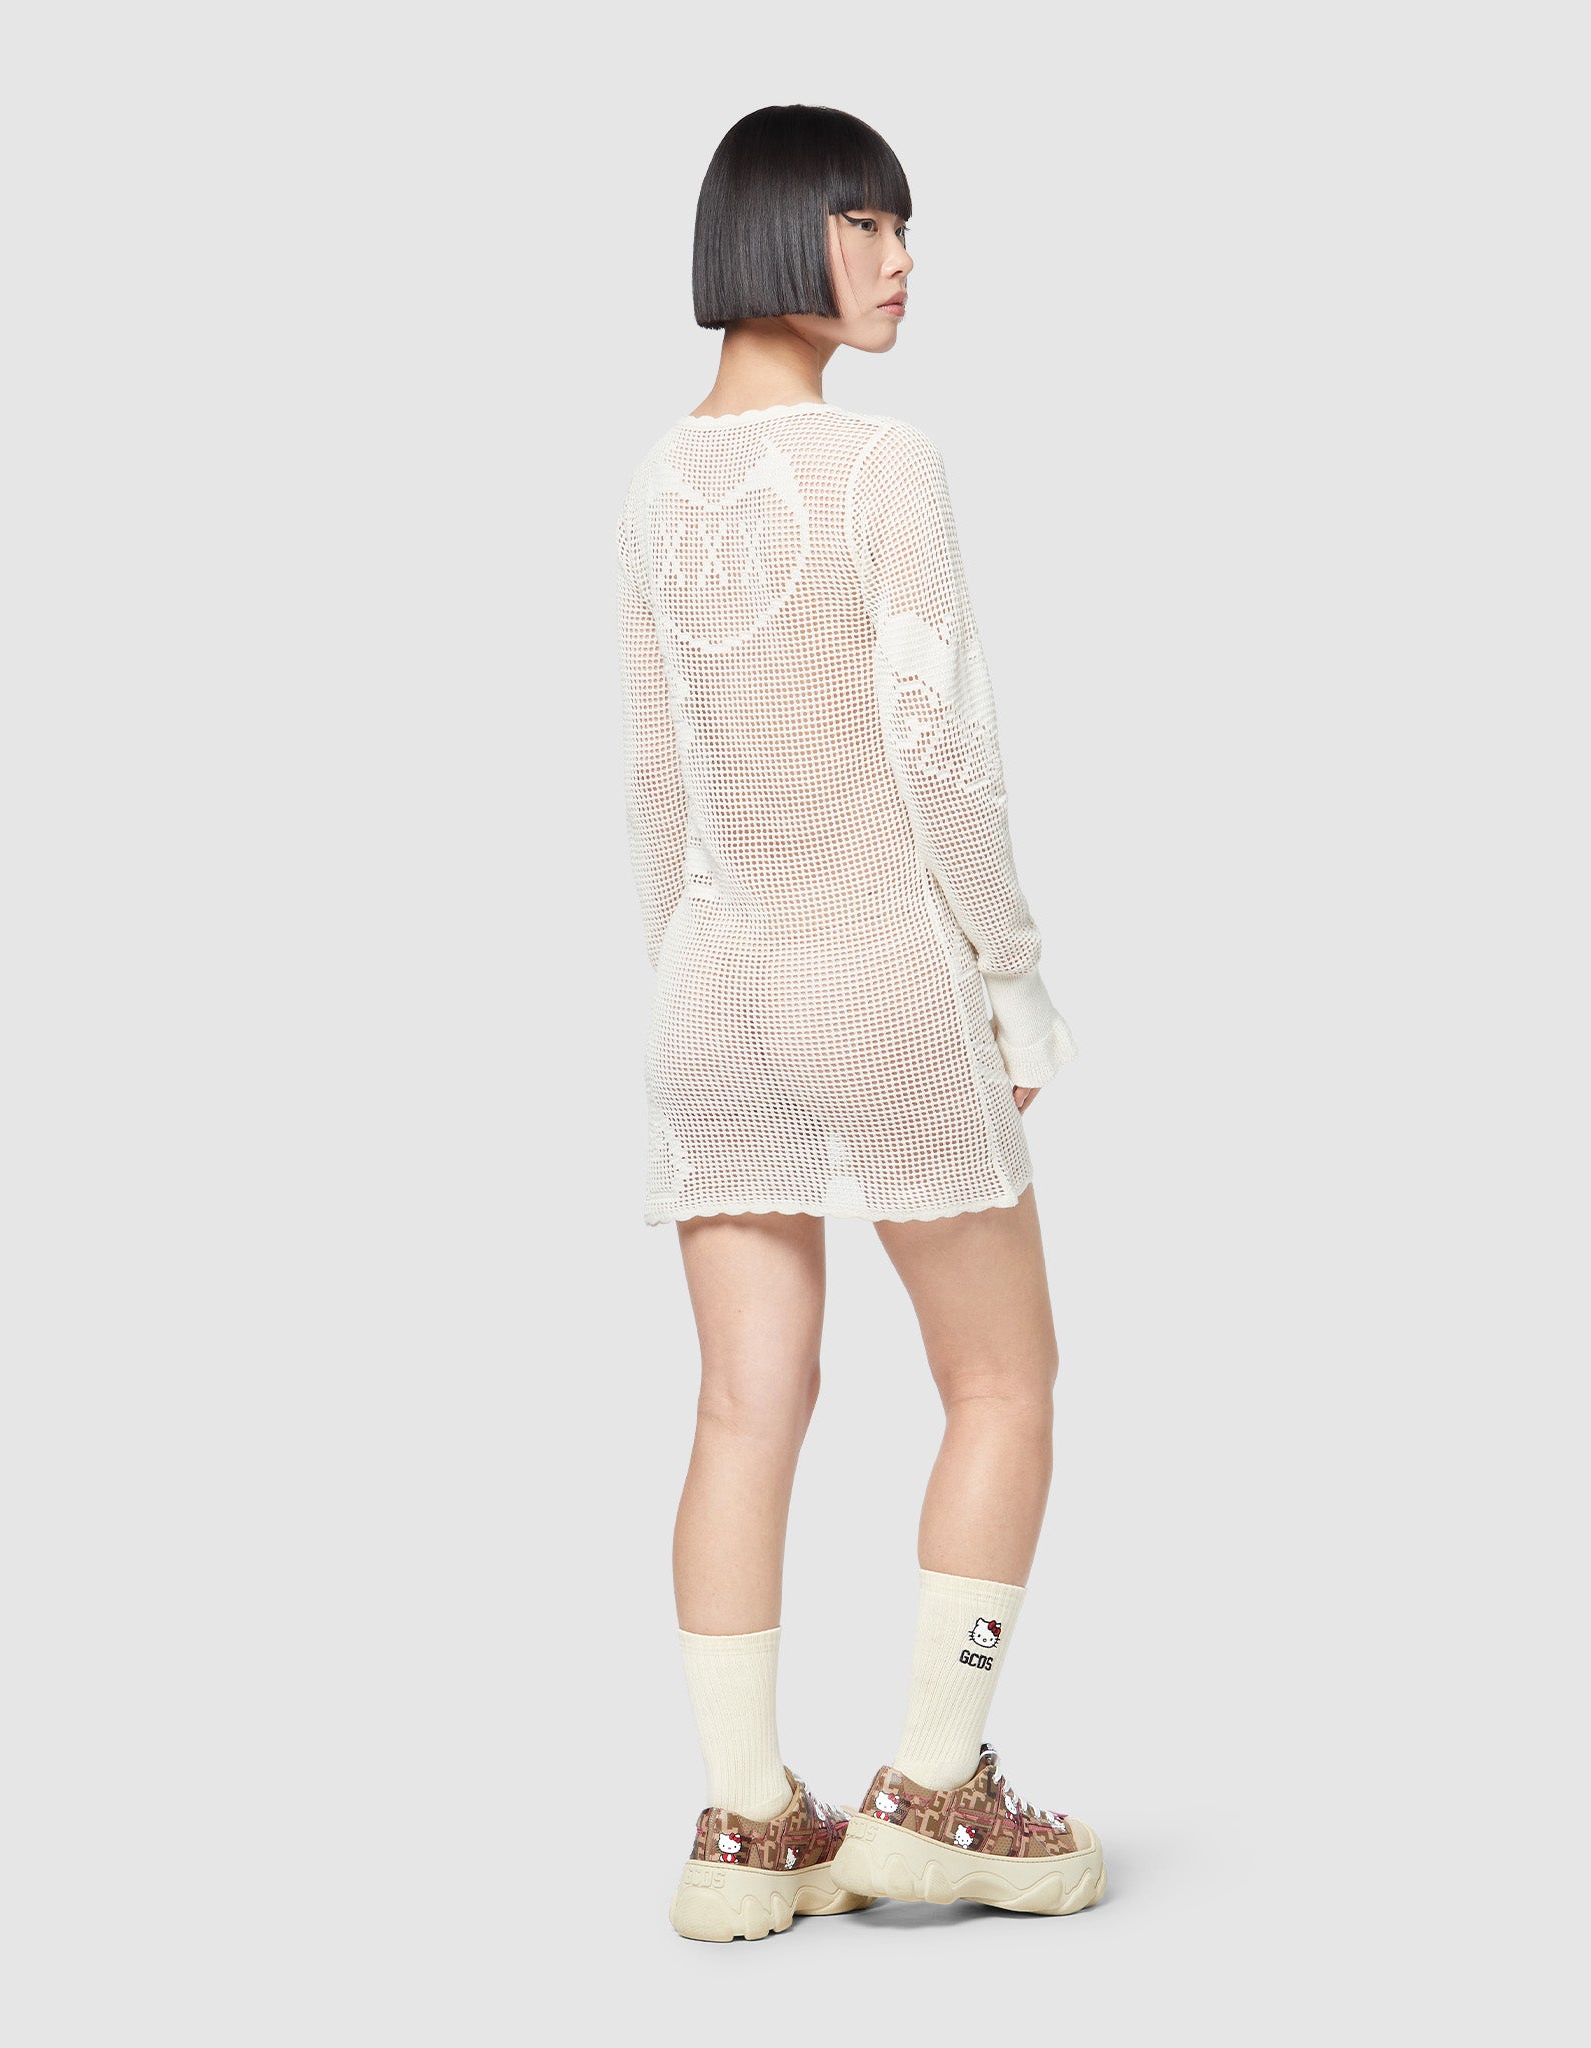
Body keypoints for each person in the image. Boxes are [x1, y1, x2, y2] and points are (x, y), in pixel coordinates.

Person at [614, 103, 1104, 1942]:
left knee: (743, 1401)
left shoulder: (652, 485)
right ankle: (931, 1793)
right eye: (866, 224)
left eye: (904, 230)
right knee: (1003, 1383)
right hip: (879, 974)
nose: (901, 263)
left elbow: (654, 780)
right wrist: (1012, 969)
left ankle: (746, 1829)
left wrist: (686, 969)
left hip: (710, 986)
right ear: (772, 234)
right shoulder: (881, 466)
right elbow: (936, 748)